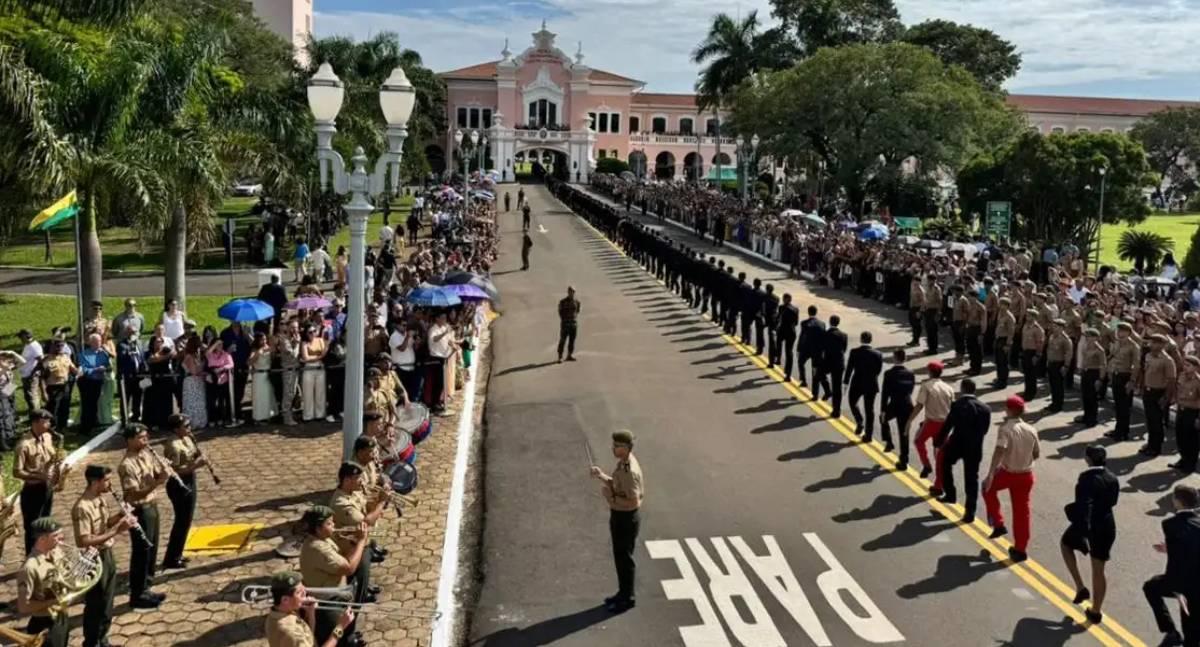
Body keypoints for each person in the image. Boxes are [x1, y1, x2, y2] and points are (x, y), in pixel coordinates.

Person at [72, 465, 132, 647]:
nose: (109, 484)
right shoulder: (82, 507)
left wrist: (120, 515)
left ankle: (102, 638)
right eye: (106, 480)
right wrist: (116, 531)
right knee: (96, 604)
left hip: (107, 554)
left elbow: (104, 524)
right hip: (94, 558)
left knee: (107, 602)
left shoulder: (101, 499)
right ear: (95, 482)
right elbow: (84, 540)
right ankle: (91, 642)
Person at [1062, 444, 1120, 623]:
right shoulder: (1112, 477)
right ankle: (1096, 611)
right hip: (1108, 524)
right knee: (1098, 569)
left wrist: (1082, 530)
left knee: (1065, 544)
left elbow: (1084, 505)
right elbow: (1113, 501)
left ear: (1088, 459)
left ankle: (1080, 586)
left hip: (1090, 525)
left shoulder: (1086, 478)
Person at [589, 429, 644, 613]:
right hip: (621, 515)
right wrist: (602, 476)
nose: (613, 448)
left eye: (617, 446)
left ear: (626, 448)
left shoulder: (629, 471)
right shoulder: (623, 464)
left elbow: (633, 500)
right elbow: (618, 484)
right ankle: (623, 593)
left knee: (624, 559)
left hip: (625, 517)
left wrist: (609, 498)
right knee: (620, 557)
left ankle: (627, 598)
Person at [298, 506, 367, 646]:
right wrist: (361, 541)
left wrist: (352, 543)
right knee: (338, 637)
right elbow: (349, 568)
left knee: (344, 630)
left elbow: (342, 558)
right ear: (318, 528)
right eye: (329, 523)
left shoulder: (322, 539)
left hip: (335, 595)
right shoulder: (318, 548)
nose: (334, 525)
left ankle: (349, 637)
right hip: (328, 604)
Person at [982, 395, 1040, 560]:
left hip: (1009, 473)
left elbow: (1000, 450)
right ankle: (1020, 549)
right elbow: (1036, 454)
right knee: (1022, 512)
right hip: (1026, 475)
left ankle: (998, 523)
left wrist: (991, 474)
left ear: (1009, 410)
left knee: (987, 488)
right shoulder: (1031, 429)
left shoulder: (1005, 428)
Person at [118, 423, 168, 608]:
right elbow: (132, 494)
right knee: (141, 551)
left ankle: (147, 586)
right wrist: (156, 483)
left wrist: (163, 471)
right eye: (141, 437)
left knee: (152, 548)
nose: (146, 440)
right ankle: (137, 594)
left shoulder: (146, 454)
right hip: (140, 509)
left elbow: (156, 473)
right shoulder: (126, 464)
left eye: (146, 437)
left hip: (152, 505)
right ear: (129, 440)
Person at [1143, 485, 1200, 647]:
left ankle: (1170, 630)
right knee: (1192, 633)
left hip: (1182, 584)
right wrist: (1170, 548)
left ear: (1179, 502)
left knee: (1151, 588)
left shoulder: (1170, 524)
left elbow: (1179, 556)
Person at [933, 378, 991, 520]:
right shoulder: (985, 409)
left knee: (945, 463)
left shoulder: (957, 405)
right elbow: (985, 430)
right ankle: (970, 512)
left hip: (957, 444)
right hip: (975, 447)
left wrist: (938, 441)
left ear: (963, 389)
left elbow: (948, 425)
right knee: (971, 478)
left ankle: (950, 494)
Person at [329, 463, 384, 606]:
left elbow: (367, 507)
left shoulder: (354, 491)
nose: (362, 481)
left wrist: (378, 500)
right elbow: (367, 522)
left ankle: (364, 588)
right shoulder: (341, 503)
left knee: (364, 574)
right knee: (357, 577)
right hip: (351, 547)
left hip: (361, 541)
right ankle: (358, 600)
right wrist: (382, 503)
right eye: (358, 478)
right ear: (347, 481)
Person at [17, 517, 71, 647]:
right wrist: (53, 601)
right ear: (42, 539)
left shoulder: (57, 552)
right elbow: (24, 606)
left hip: (61, 617)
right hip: (44, 624)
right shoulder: (29, 568)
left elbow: (69, 574)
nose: (61, 538)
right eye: (56, 535)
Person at [264, 570, 355, 647]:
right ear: (285, 600)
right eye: (299, 592)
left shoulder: (278, 613)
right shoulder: (291, 632)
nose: (305, 593)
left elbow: (309, 638)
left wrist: (311, 614)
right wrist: (340, 627)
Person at [163, 414, 206, 570]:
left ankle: (178, 553)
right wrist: (195, 465)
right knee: (181, 521)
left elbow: (193, 454)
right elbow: (173, 471)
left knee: (187, 520)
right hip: (179, 484)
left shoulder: (187, 438)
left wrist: (198, 456)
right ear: (176, 429)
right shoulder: (172, 445)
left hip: (189, 479)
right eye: (185, 426)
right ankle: (171, 558)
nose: (189, 428)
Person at [13, 409, 57, 555]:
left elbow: (51, 457)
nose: (49, 424)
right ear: (36, 422)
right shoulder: (24, 445)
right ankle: (31, 557)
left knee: (45, 523)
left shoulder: (48, 437)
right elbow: (16, 472)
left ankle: (44, 553)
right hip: (32, 491)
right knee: (33, 528)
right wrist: (40, 476)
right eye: (46, 421)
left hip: (47, 487)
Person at [908, 361, 955, 486]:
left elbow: (919, 405)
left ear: (929, 372)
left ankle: (926, 464)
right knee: (940, 454)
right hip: (944, 424)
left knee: (919, 441)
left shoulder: (926, 386)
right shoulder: (949, 388)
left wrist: (909, 420)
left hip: (931, 422)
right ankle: (938, 484)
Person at [1142, 334, 1178, 457]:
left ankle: (1155, 447)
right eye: (1151, 342)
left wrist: (1166, 398)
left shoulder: (1167, 361)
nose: (1150, 344)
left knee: (1157, 421)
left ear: (1161, 345)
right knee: (1150, 420)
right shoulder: (1148, 356)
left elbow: (1171, 381)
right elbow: (1145, 372)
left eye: (1154, 342)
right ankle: (1151, 443)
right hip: (1148, 391)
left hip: (1159, 393)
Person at [844, 331, 883, 441]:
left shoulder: (854, 352)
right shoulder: (878, 354)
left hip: (857, 382)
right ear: (871, 340)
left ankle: (859, 421)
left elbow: (849, 368)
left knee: (852, 402)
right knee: (869, 410)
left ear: (861, 339)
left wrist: (846, 382)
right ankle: (868, 435)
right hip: (871, 384)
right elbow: (878, 370)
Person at [880, 349, 915, 470]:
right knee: (904, 433)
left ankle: (889, 441)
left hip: (894, 404)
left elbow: (885, 394)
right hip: (907, 404)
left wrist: (883, 410)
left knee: (883, 419)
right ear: (904, 359)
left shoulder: (889, 373)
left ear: (895, 358)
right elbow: (911, 390)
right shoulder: (910, 373)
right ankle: (904, 460)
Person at [814, 315, 848, 417]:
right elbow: (844, 349)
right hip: (839, 363)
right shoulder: (844, 335)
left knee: (819, 375)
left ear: (830, 322)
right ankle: (836, 411)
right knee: (837, 388)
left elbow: (821, 349)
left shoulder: (825, 334)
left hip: (828, 361)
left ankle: (828, 390)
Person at [39, 341, 76, 433]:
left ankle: (63, 426)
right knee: (53, 409)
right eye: (57, 346)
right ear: (52, 346)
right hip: (53, 387)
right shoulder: (47, 360)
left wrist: (79, 370)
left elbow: (73, 369)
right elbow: (42, 378)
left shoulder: (65, 357)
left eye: (61, 346)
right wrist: (44, 392)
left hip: (65, 386)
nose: (59, 348)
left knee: (65, 407)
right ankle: (53, 428)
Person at [1075, 328, 1108, 427]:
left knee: (1092, 397)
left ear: (1095, 338)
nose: (1087, 338)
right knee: (1085, 396)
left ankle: (1092, 418)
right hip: (1086, 372)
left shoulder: (1099, 350)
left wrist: (1100, 379)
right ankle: (1086, 415)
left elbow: (1103, 365)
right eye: (1086, 336)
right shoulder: (1086, 346)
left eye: (1089, 336)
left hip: (1094, 373)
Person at [300, 327, 329, 422]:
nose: (312, 333)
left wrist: (317, 357)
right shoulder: (304, 343)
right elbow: (305, 358)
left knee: (320, 392)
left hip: (320, 368)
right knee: (308, 392)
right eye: (310, 332)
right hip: (309, 368)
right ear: (306, 333)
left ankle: (320, 414)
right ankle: (308, 415)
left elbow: (325, 351)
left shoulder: (320, 340)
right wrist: (319, 356)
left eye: (314, 331)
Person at [180, 337, 209, 430]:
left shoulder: (197, 355)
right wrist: (203, 370)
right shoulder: (189, 356)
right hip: (191, 382)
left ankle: (200, 422)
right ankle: (191, 423)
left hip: (198, 381)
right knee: (192, 403)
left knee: (199, 402)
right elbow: (193, 371)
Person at [797, 306, 826, 389]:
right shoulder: (822, 324)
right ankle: (815, 393)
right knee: (815, 370)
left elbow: (802, 337)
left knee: (800, 363)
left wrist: (799, 348)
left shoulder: (804, 323)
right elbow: (823, 338)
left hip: (806, 349)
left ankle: (803, 380)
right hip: (817, 350)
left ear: (808, 312)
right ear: (816, 312)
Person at [17, 329, 43, 416]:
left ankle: (37, 416)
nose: (20, 338)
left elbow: (41, 360)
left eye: (21, 336)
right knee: (28, 396)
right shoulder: (27, 345)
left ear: (25, 336)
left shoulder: (34, 346)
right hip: (26, 375)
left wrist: (34, 372)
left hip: (31, 376)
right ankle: (33, 414)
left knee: (32, 396)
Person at [777, 294, 799, 382]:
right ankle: (788, 374)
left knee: (778, 344)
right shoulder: (796, 309)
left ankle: (778, 358)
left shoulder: (781, 308)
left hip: (783, 330)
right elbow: (796, 322)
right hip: (791, 332)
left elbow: (779, 319)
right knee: (789, 352)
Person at [557, 286, 581, 363]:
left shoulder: (577, 302)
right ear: (568, 292)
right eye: (570, 292)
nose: (572, 293)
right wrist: (564, 320)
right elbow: (560, 312)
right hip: (565, 324)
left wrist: (573, 320)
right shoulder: (563, 302)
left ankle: (569, 355)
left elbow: (577, 311)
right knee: (562, 340)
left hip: (573, 324)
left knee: (572, 340)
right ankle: (560, 357)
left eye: (573, 292)